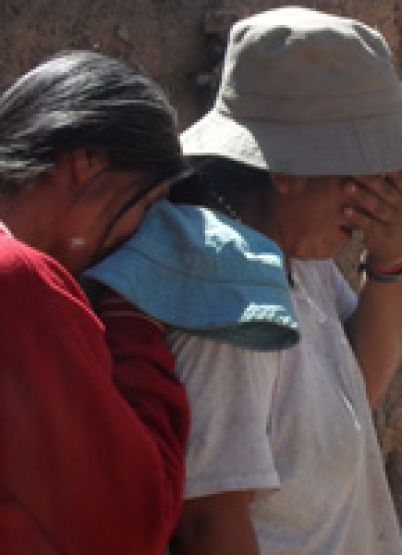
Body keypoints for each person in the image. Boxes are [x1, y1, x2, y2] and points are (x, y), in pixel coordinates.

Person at [165, 8, 402, 554]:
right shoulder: (229, 312)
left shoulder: (297, 256)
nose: (379, 192)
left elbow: (353, 389)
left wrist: (389, 258)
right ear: (287, 170)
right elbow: (210, 524)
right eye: (363, 169)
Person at [0, 51, 190, 553]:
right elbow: (130, 523)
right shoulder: (18, 284)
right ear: (88, 162)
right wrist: (135, 322)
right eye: (146, 205)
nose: (137, 235)